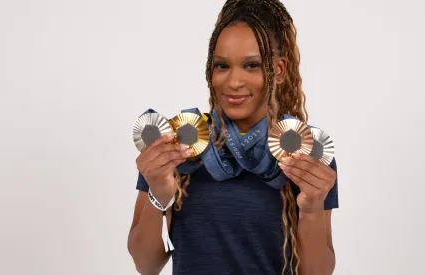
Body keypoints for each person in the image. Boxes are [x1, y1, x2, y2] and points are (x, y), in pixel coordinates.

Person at [127, 0, 339, 274]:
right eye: (222, 66)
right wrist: (158, 192)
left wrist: (311, 208)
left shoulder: (305, 155)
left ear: (279, 70)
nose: (233, 82)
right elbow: (146, 265)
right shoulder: (176, 146)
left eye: (251, 65)